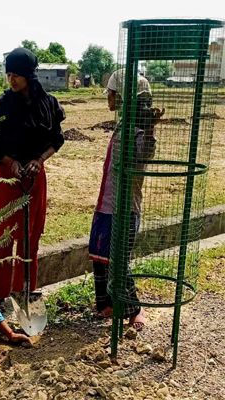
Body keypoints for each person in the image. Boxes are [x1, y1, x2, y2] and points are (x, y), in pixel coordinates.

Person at [0, 47, 66, 301]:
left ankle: (24, 291)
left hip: (34, 180)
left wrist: (39, 160)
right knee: (3, 236)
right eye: (8, 74)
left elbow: (57, 140)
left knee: (30, 236)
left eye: (16, 75)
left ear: (29, 75)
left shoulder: (48, 104)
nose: (11, 80)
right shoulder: (0, 105)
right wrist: (11, 162)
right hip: (7, 179)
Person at [89, 69, 162, 331]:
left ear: (122, 96)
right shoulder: (121, 125)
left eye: (110, 92)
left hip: (125, 208)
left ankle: (135, 309)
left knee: (118, 259)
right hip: (105, 205)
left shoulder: (139, 129)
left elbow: (145, 154)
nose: (107, 96)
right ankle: (106, 304)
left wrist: (151, 128)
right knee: (99, 255)